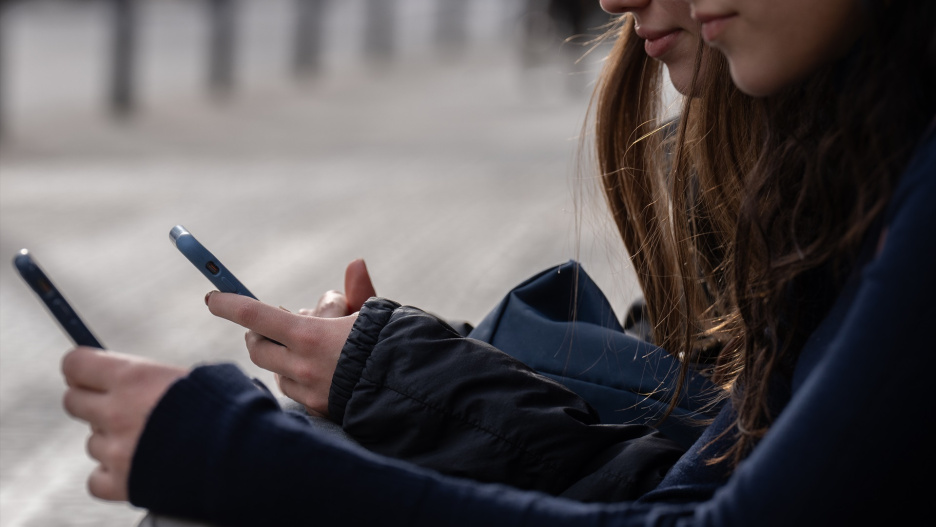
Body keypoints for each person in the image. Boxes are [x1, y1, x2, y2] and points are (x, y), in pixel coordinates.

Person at [60, 0, 935, 525]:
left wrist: (245, 454)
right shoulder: (832, 168)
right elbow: (685, 479)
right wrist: (400, 377)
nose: (618, 2)